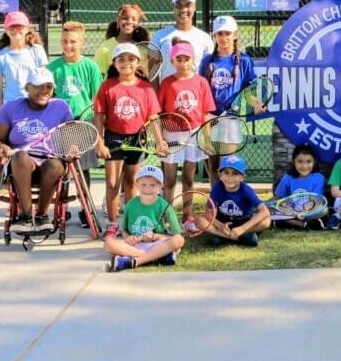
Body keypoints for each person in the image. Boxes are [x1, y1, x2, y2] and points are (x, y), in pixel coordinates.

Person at [93, 43, 162, 239]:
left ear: (138, 62)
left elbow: (153, 117)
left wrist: (159, 142)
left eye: (130, 59)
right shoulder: (107, 86)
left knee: (131, 182)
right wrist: (100, 142)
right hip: (114, 137)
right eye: (121, 59)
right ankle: (113, 223)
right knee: (112, 183)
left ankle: (129, 223)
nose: (126, 63)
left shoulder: (146, 88)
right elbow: (98, 115)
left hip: (137, 137)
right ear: (114, 63)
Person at [0, 69, 72, 233]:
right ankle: (25, 216)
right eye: (38, 86)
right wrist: (3, 147)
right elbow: (1, 139)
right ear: (27, 87)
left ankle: (41, 216)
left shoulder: (61, 107)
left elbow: (71, 137)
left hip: (52, 160)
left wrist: (72, 149)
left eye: (48, 86)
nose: (44, 91)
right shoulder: (10, 108)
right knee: (20, 157)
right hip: (21, 163)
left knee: (53, 165)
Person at [199, 15, 262, 185]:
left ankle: (230, 202)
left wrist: (255, 103)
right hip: (209, 118)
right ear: (214, 36)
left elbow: (248, 91)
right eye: (219, 34)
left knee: (229, 166)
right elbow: (201, 91)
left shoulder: (244, 61)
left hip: (231, 118)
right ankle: (216, 202)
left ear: (235, 35)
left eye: (227, 33)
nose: (223, 38)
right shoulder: (207, 61)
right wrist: (204, 117)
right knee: (213, 165)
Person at [157, 41, 214, 214]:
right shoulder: (167, 83)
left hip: (194, 134)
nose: (183, 63)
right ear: (172, 61)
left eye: (186, 59)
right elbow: (158, 114)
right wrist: (161, 140)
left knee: (189, 178)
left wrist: (207, 138)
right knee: (170, 180)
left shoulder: (201, 82)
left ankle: (187, 218)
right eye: (179, 59)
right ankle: (166, 218)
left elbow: (205, 113)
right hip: (172, 135)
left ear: (193, 59)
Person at [48, 21, 103, 184]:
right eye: (64, 41)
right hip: (61, 125)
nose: (68, 45)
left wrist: (99, 128)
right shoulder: (53, 68)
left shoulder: (91, 66)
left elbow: (97, 99)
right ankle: (62, 204)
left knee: (82, 168)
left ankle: (84, 207)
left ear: (82, 43)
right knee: (61, 167)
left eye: (73, 41)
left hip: (84, 123)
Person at [104, 165, 185, 271]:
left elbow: (175, 235)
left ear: (161, 186)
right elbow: (124, 230)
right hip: (136, 246)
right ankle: (157, 257)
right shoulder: (130, 205)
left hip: (157, 245)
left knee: (179, 240)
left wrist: (155, 236)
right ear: (137, 184)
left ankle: (136, 261)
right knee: (108, 243)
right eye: (143, 184)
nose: (147, 189)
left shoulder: (165, 206)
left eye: (152, 185)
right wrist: (128, 237)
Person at [205, 155, 271, 246]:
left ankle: (230, 235)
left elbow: (265, 211)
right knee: (199, 220)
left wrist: (242, 228)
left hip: (243, 224)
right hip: (224, 225)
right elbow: (208, 213)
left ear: (242, 177)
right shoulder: (217, 188)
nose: (230, 177)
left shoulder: (246, 190)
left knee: (266, 221)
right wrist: (220, 226)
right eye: (226, 172)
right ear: (220, 175)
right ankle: (234, 237)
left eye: (235, 173)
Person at [152, 0, 212, 81]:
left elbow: (208, 74)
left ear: (194, 7)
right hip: (168, 94)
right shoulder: (159, 36)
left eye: (188, 5)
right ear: (173, 8)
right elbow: (153, 75)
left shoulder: (205, 38)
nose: (183, 10)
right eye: (179, 6)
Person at [273, 143, 327, 228]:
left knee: (324, 210)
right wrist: (281, 206)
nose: (304, 166)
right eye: (300, 161)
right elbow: (278, 198)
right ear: (293, 161)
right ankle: (304, 224)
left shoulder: (319, 178)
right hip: (291, 211)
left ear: (314, 162)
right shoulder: (287, 178)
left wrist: (305, 213)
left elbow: (317, 200)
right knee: (272, 210)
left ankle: (291, 223)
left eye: (308, 161)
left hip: (310, 210)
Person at [0, 11, 48, 105]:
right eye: (11, 27)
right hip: (10, 104)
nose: (15, 30)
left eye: (19, 26)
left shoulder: (36, 50)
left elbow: (43, 79)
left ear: (27, 29)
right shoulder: (2, 55)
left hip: (33, 103)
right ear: (6, 30)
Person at [93, 3, 150, 76]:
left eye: (134, 19)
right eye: (125, 18)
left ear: (138, 23)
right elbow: (98, 75)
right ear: (118, 21)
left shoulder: (144, 48)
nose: (129, 22)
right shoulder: (105, 48)